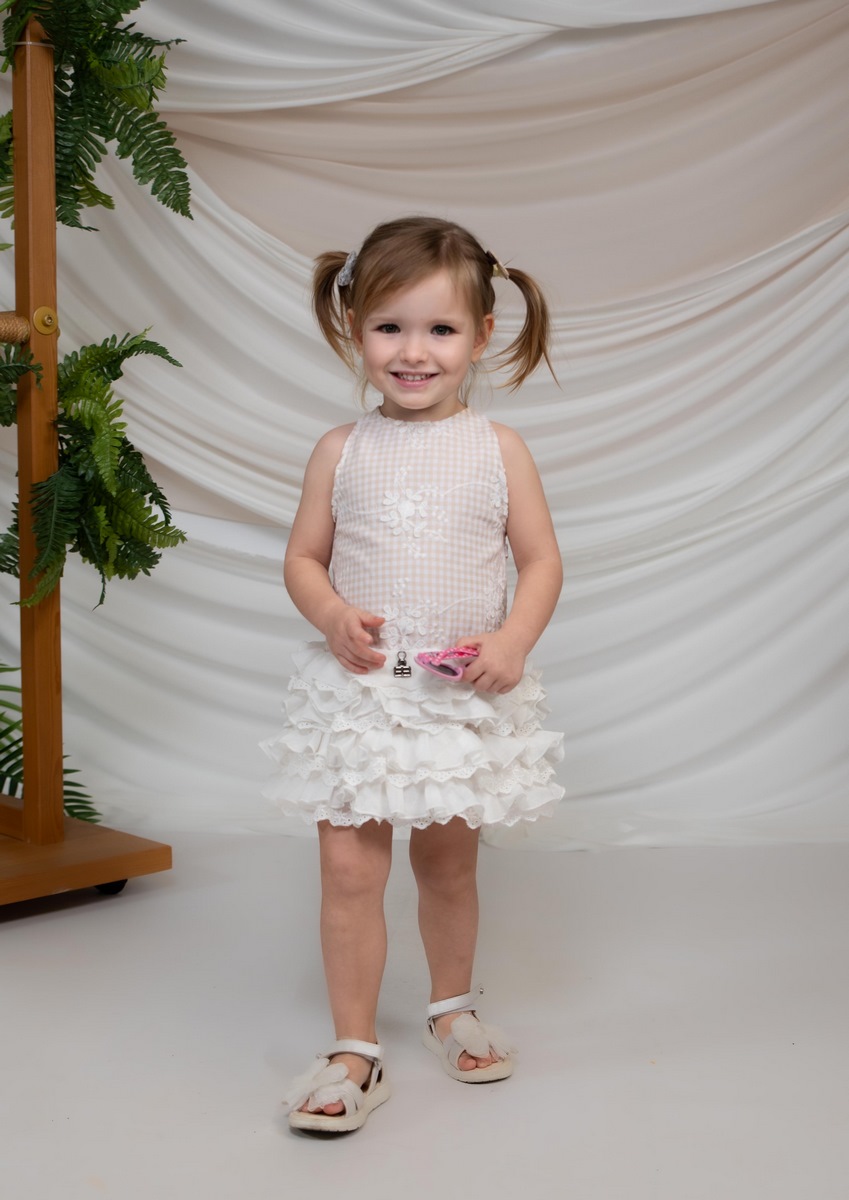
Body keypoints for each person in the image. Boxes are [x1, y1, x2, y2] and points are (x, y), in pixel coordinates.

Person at [262, 216, 564, 1133]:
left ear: (481, 334)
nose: (413, 351)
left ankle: (450, 1007)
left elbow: (541, 561)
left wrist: (513, 638)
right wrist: (329, 614)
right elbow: (303, 558)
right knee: (348, 871)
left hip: (455, 694)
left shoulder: (497, 448)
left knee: (446, 866)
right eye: (389, 327)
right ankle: (355, 1048)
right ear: (354, 328)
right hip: (360, 694)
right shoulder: (340, 449)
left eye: (439, 329)